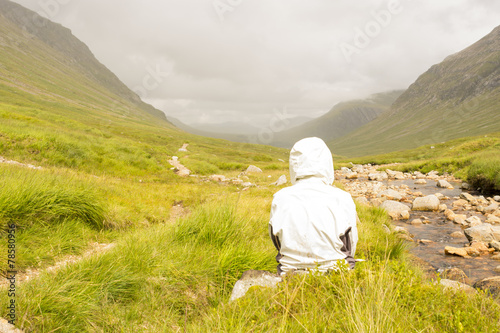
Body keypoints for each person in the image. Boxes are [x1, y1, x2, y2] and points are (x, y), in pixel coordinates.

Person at [269, 137, 358, 275]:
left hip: (290, 274)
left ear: (294, 164)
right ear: (327, 163)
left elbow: (276, 240)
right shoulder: (342, 197)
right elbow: (351, 242)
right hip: (337, 274)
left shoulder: (280, 198)